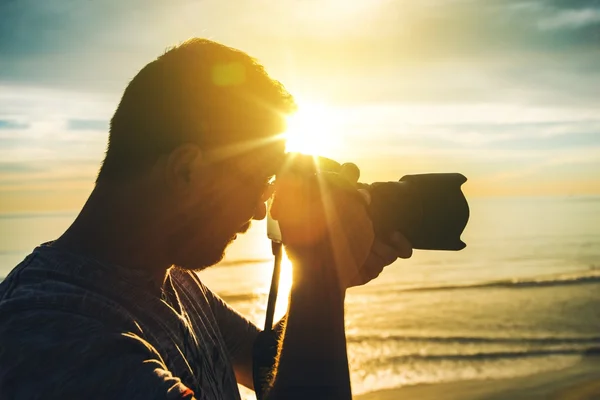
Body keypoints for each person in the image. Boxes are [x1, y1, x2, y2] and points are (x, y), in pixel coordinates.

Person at [0, 38, 412, 400]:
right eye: (258, 181)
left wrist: (329, 278)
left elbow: (263, 363)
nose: (258, 208)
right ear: (186, 170)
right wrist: (319, 274)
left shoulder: (171, 277)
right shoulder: (53, 341)